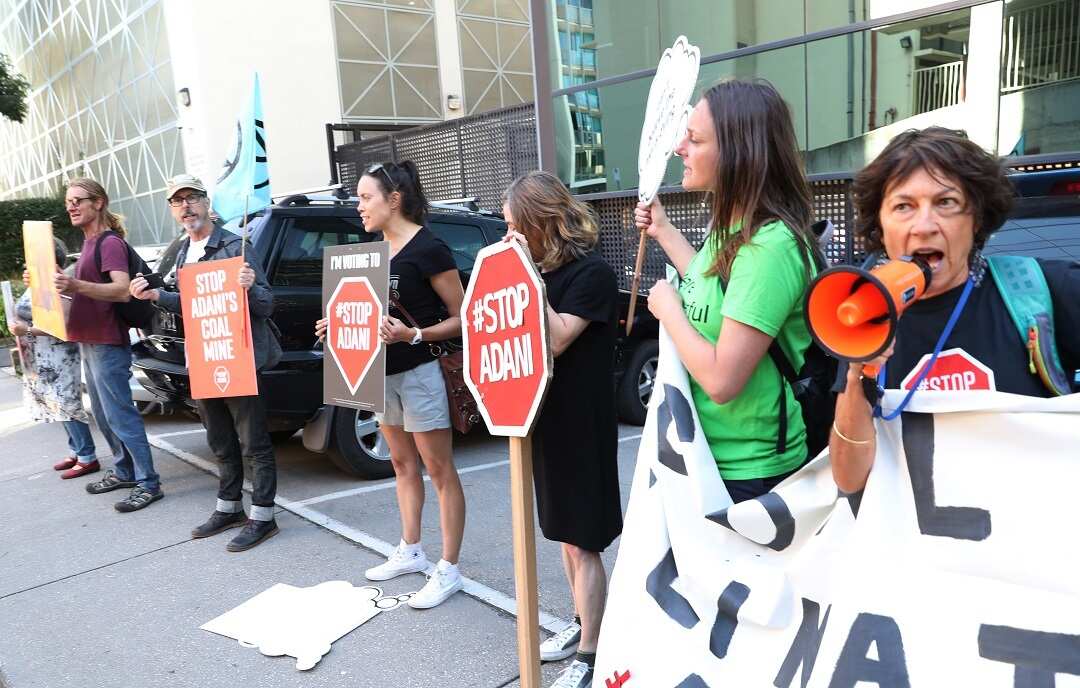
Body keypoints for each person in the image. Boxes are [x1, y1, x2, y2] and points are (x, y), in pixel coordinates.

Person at [830, 127, 1080, 494]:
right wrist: (856, 379)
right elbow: (850, 479)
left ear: (976, 218)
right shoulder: (865, 310)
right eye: (903, 206)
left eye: (945, 203)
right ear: (881, 228)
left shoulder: (1038, 289)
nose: (925, 226)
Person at [633, 78, 821, 504]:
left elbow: (722, 380)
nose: (680, 147)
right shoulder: (731, 228)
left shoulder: (769, 248)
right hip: (702, 453)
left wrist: (669, 311)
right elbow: (709, 284)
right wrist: (663, 230)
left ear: (739, 152)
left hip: (750, 473)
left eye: (695, 139)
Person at [315, 160, 467, 609]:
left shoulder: (429, 248)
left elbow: (463, 318)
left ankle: (449, 568)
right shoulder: (369, 253)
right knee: (401, 464)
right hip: (378, 374)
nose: (358, 206)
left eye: (366, 197)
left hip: (421, 372)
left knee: (439, 469)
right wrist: (336, 326)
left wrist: (413, 334)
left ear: (394, 199)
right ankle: (412, 550)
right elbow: (362, 314)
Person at [501, 171, 621, 688]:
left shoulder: (590, 274)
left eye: (514, 227)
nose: (509, 237)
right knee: (563, 534)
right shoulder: (543, 272)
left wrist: (522, 271)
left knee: (583, 539)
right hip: (543, 417)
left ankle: (592, 652)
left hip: (581, 422)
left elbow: (554, 339)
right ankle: (582, 623)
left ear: (540, 222)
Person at [130, 174, 283, 551]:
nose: (186, 206)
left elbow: (267, 304)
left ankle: (263, 516)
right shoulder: (184, 250)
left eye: (192, 198)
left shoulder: (235, 245)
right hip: (203, 355)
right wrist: (155, 295)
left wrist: (249, 287)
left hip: (240, 356)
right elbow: (189, 304)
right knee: (219, 439)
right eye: (177, 201)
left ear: (205, 200)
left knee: (253, 442)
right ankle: (229, 507)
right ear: (173, 210)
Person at [28, 178, 162, 512]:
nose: (71, 206)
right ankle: (124, 471)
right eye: (68, 201)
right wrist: (47, 281)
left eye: (78, 200)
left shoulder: (109, 243)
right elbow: (78, 290)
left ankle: (148, 483)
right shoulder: (88, 243)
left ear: (98, 202)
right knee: (103, 416)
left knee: (121, 415)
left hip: (107, 341)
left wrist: (73, 283)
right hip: (89, 339)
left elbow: (120, 290)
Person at [9, 239, 101, 479]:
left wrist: (25, 331)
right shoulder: (37, 282)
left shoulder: (59, 284)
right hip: (41, 355)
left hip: (59, 353)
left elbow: (63, 326)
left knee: (68, 404)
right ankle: (76, 449)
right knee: (55, 404)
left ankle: (87, 456)